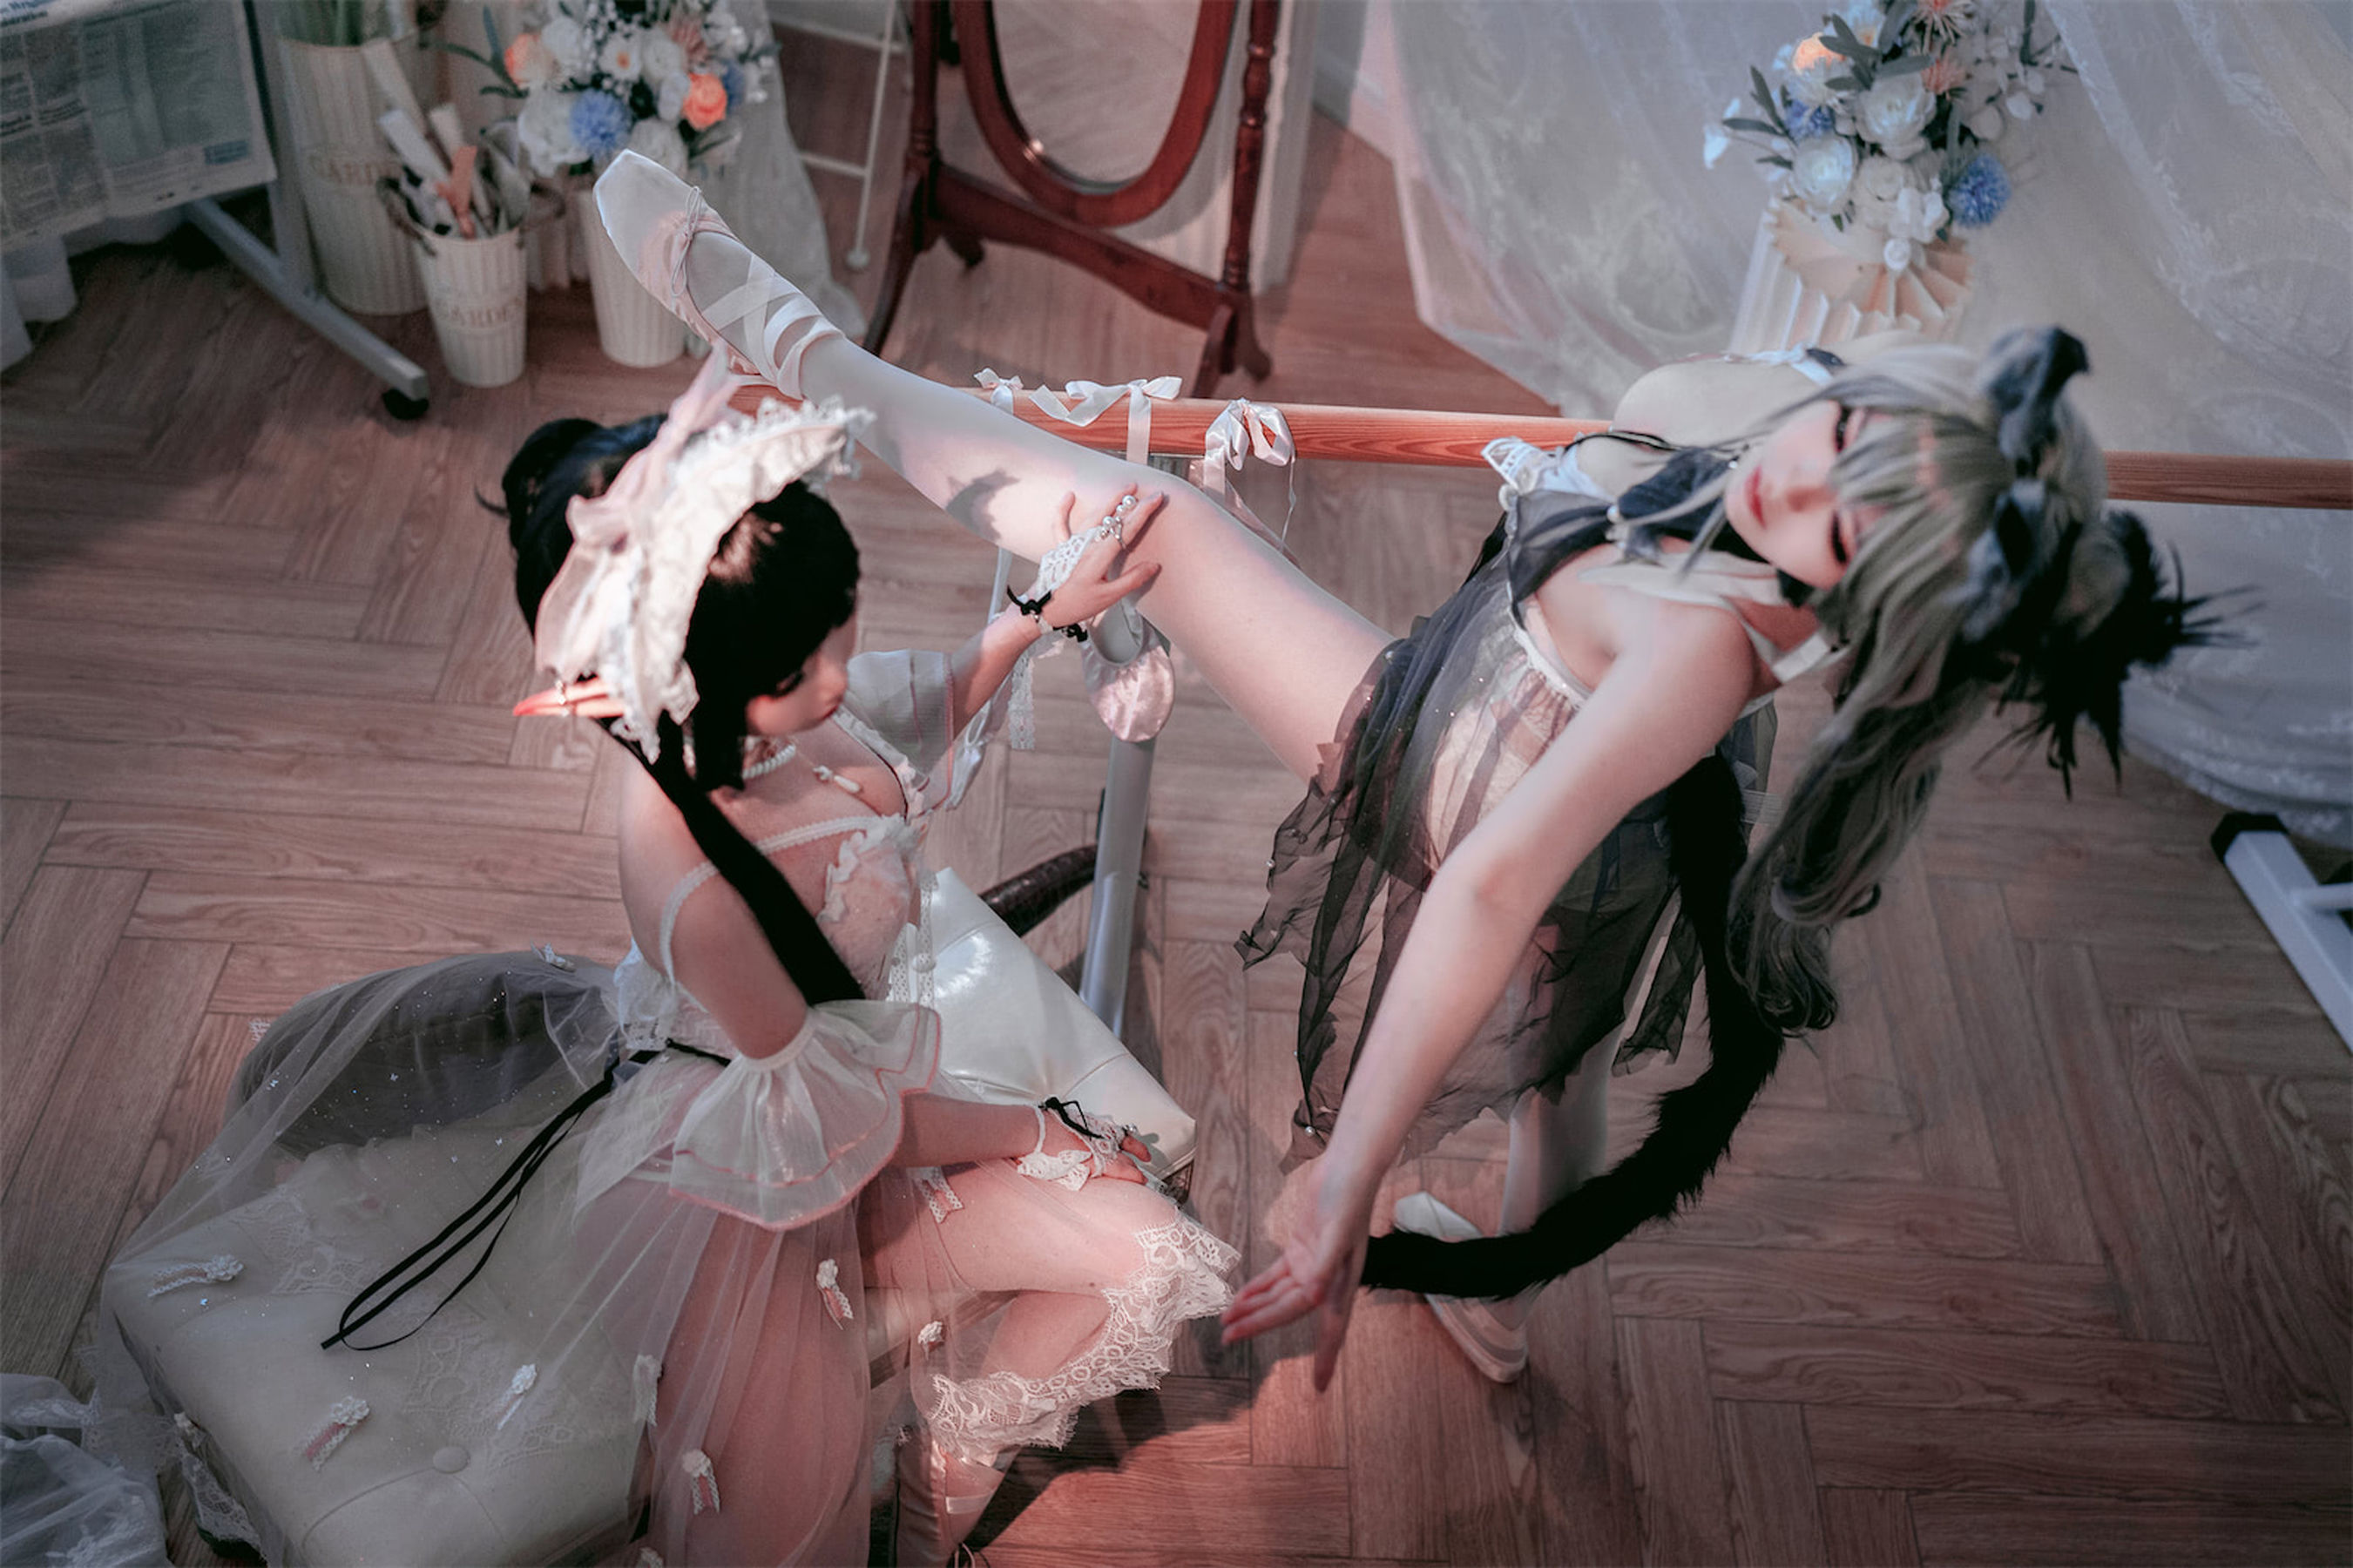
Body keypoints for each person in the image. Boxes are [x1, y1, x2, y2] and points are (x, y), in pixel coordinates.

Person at [589, 152, 2208, 1395]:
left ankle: (798, 345)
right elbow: (1774, 435)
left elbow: (1491, 880)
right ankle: (1504, 1307)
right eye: (1840, 433)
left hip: (1474, 771)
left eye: (1838, 527)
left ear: (1867, 597)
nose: (1796, 478)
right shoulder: (1797, 451)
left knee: (1160, 531)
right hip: (1610, 811)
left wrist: (1349, 1173)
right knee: (1565, 1055)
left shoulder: (1694, 655)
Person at [96, 355, 1235, 1568]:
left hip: (847, 1108)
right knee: (784, 1520)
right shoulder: (693, 881)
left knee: (1147, 1250)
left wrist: (1043, 614)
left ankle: (938, 1484)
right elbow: (839, 1118)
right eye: (799, 673)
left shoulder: (759, 711)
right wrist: (1035, 1131)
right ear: (691, 677)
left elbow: (909, 713)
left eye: (839, 632)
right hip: (737, 1193)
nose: (838, 681)